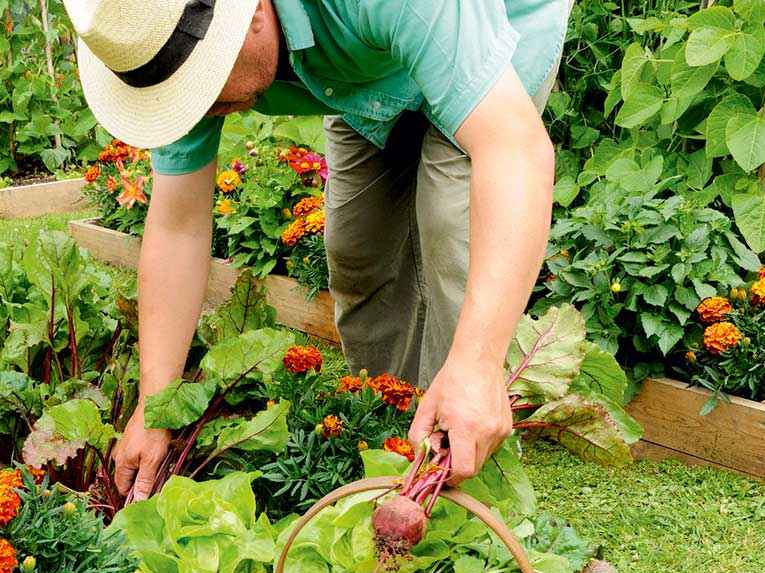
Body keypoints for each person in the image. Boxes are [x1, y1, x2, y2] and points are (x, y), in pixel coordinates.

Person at [64, 0, 569, 499]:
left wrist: (476, 364)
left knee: (453, 243)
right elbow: (178, 225)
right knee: (358, 253)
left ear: (253, 15)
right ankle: (393, 443)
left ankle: (460, 482)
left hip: (486, 30)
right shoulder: (167, 39)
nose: (196, 107)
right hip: (366, 65)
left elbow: (514, 149)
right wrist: (157, 408)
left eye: (205, 83)